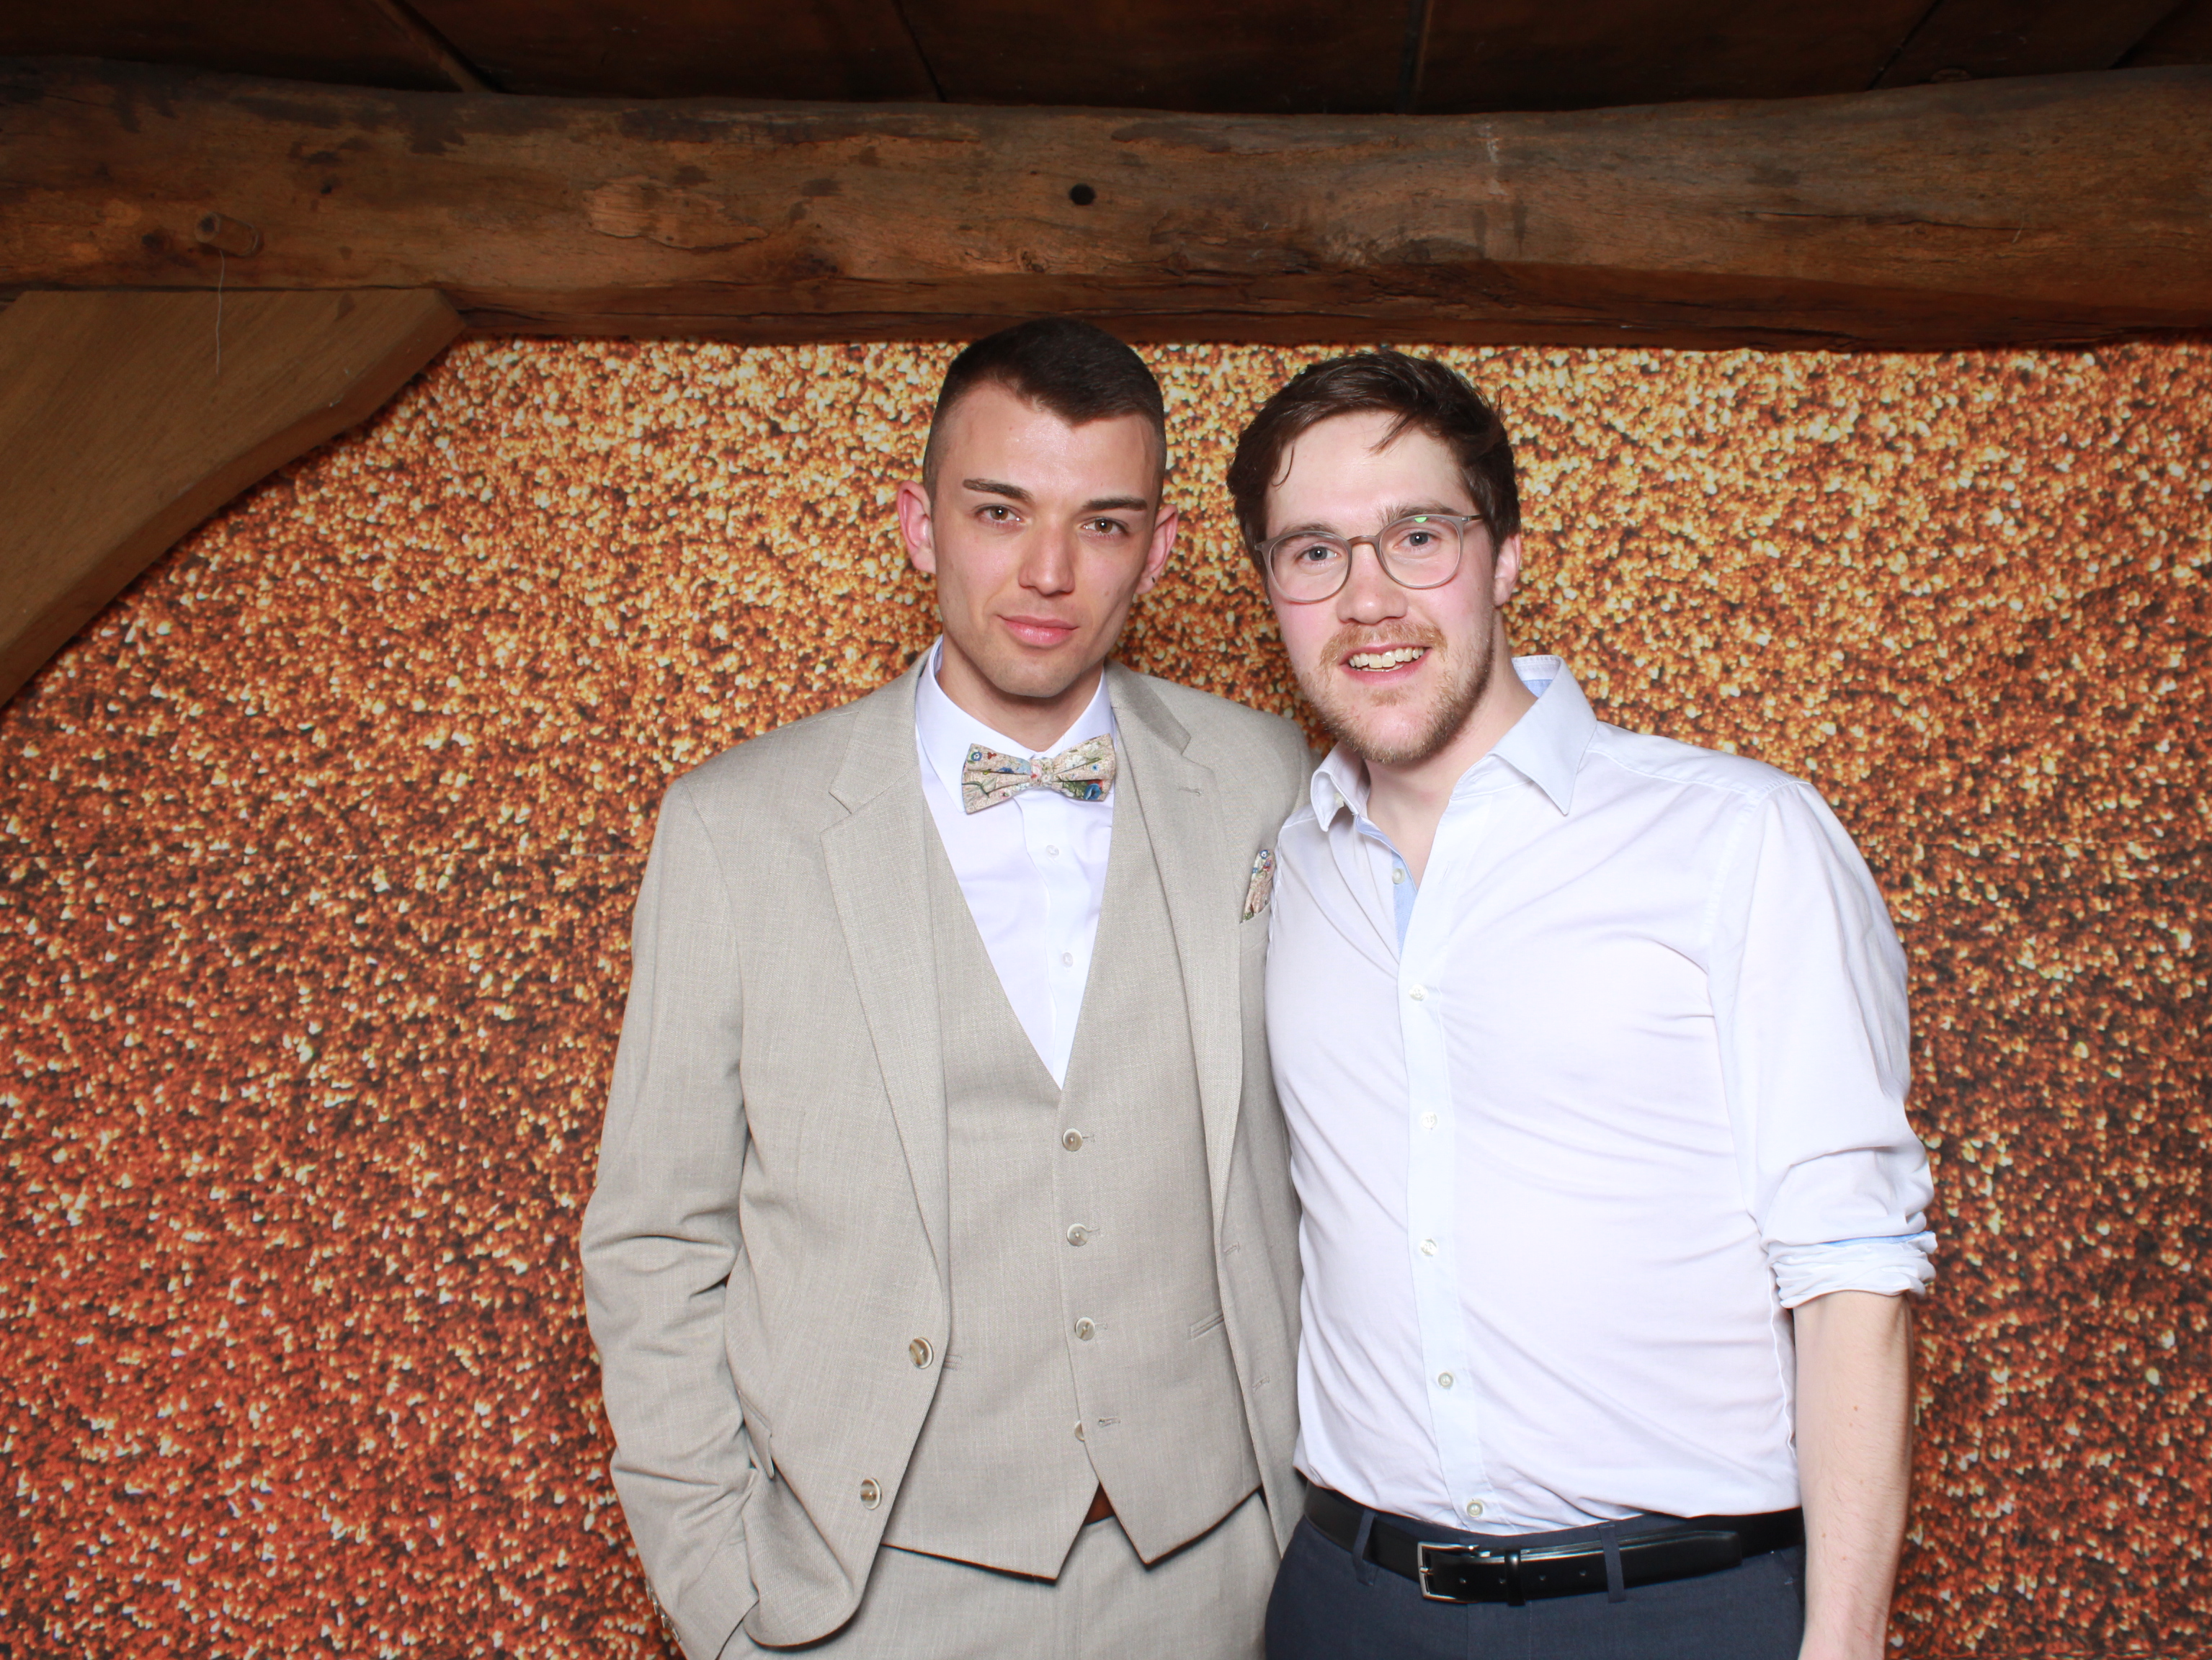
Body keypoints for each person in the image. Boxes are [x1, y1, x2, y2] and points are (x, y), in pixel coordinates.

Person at [582, 318, 1311, 1660]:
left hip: (1222, 1570)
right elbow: (656, 1238)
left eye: (1103, 524)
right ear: (919, 526)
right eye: (999, 511)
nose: (1049, 572)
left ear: (1157, 550)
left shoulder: (1269, 779)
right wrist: (723, 1600)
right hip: (872, 1592)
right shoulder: (737, 829)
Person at [1227, 349, 1936, 1660]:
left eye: (1418, 536)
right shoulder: (1287, 865)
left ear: (1504, 557)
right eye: (1314, 553)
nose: (1368, 599)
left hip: (1675, 1609)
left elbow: (1853, 1269)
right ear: (1271, 587)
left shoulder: (1739, 837)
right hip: (1348, 1602)